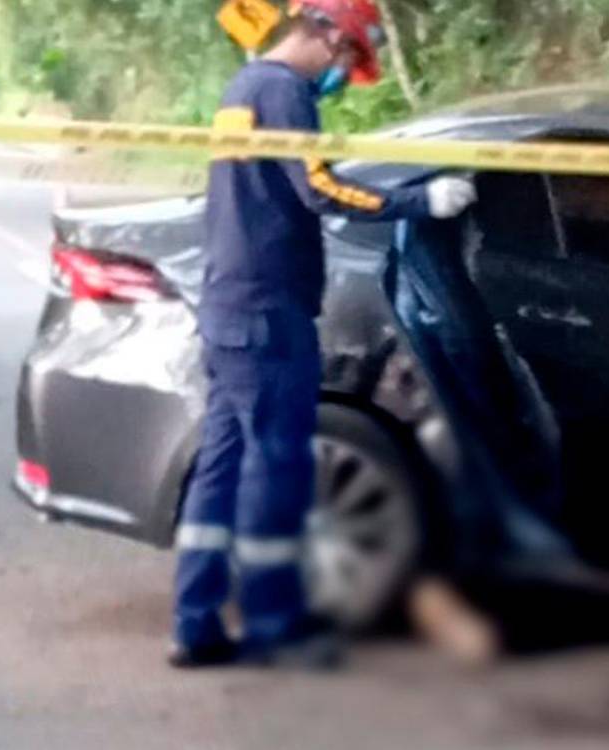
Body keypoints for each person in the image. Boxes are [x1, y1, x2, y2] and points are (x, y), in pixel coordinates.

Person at [172, 0, 476, 669]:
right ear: (331, 34)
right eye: (348, 59)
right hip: (269, 314)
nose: (341, 75)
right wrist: (421, 201)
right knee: (276, 467)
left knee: (219, 472)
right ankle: (274, 626)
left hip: (228, 307)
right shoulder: (283, 91)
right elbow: (317, 188)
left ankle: (196, 624)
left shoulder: (243, 88)